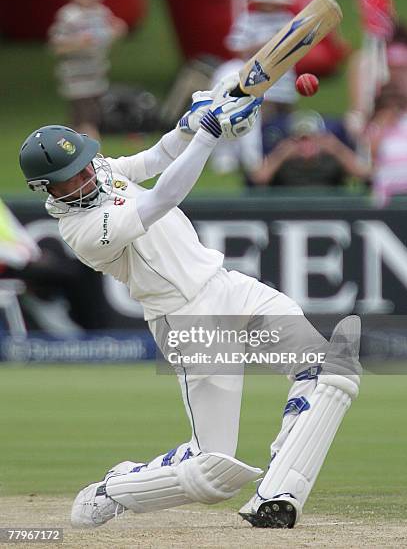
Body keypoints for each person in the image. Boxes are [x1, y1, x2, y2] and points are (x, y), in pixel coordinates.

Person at [19, 77, 361, 529]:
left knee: (327, 370)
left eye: (85, 166)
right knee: (213, 470)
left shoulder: (104, 172)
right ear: (49, 189)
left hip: (227, 287)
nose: (86, 177)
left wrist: (189, 124)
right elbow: (163, 196)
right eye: (71, 179)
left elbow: (157, 157)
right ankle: (114, 489)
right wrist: (207, 136)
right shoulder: (81, 230)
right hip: (187, 319)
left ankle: (279, 492)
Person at [210, 0, 298, 174]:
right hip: (254, 83)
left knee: (267, 123)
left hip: (281, 86)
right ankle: (240, 156)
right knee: (243, 114)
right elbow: (238, 48)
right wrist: (266, 45)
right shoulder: (248, 20)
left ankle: (258, 157)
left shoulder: (288, 21)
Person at [48, 0, 128, 140]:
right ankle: (96, 157)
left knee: (83, 120)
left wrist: (116, 31)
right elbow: (56, 45)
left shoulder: (101, 12)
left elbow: (114, 29)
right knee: (87, 120)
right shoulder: (69, 16)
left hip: (97, 76)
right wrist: (78, 42)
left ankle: (68, 149)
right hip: (78, 80)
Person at [250, 110, 370, 187]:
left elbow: (364, 173)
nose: (306, 145)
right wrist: (281, 154)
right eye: (302, 139)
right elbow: (259, 178)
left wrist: (336, 149)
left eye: (312, 138)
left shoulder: (331, 158)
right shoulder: (286, 160)